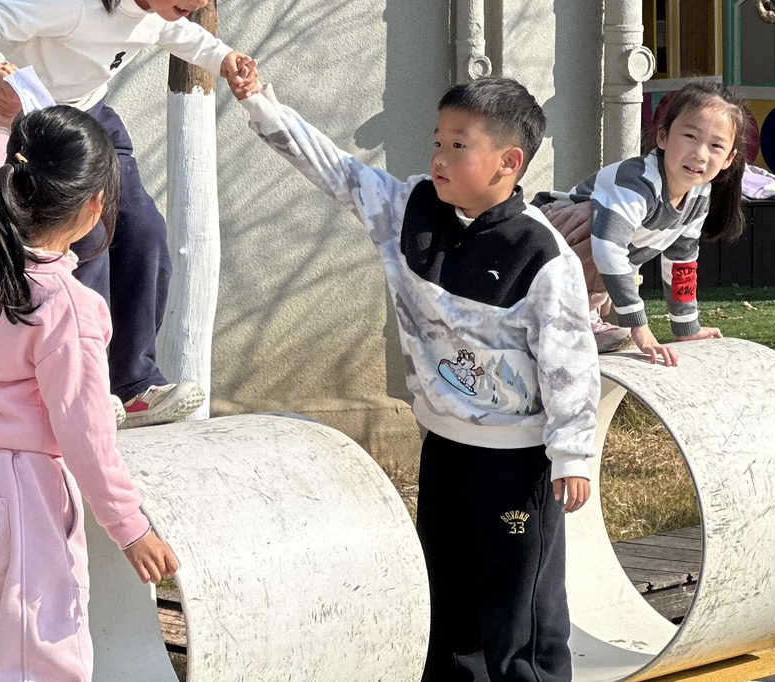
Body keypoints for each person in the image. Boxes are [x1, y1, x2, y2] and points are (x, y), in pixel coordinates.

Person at [230, 72, 597, 682]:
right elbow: (336, 169)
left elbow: (570, 360)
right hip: (445, 447)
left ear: (509, 162)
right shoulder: (409, 209)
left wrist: (572, 454)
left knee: (518, 614)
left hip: (517, 462)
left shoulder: (542, 255)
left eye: (459, 145)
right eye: (437, 141)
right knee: (446, 596)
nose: (439, 157)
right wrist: (260, 103)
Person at [0, 0, 257, 427]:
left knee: (144, 233)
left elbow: (175, 34)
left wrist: (224, 58)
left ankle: (133, 384)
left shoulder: (159, 3)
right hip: (14, 115)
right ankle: (83, 385)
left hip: (85, 115)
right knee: (86, 239)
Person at [0, 79, 178, 682]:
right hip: (20, 492)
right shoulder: (70, 307)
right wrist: (130, 526)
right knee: (46, 659)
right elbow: (86, 433)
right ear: (95, 207)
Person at [535, 80, 747, 365]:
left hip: (579, 265)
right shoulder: (638, 182)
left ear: (729, 159)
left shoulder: (699, 194)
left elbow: (682, 263)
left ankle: (579, 314)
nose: (700, 153)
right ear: (663, 137)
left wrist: (686, 328)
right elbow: (608, 249)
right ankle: (577, 318)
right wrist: (639, 326)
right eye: (690, 136)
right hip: (542, 241)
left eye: (716, 145)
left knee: (618, 250)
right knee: (601, 230)